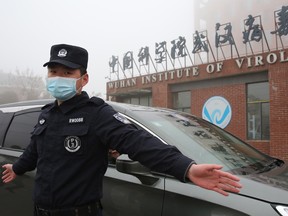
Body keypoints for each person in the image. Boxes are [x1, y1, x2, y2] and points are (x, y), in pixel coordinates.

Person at [2, 44, 242, 216]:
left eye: (67, 73)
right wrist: (18, 167)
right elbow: (34, 151)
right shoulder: (46, 114)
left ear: (83, 79)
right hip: (39, 209)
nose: (58, 78)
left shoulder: (97, 113)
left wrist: (186, 168)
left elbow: (138, 142)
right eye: (53, 72)